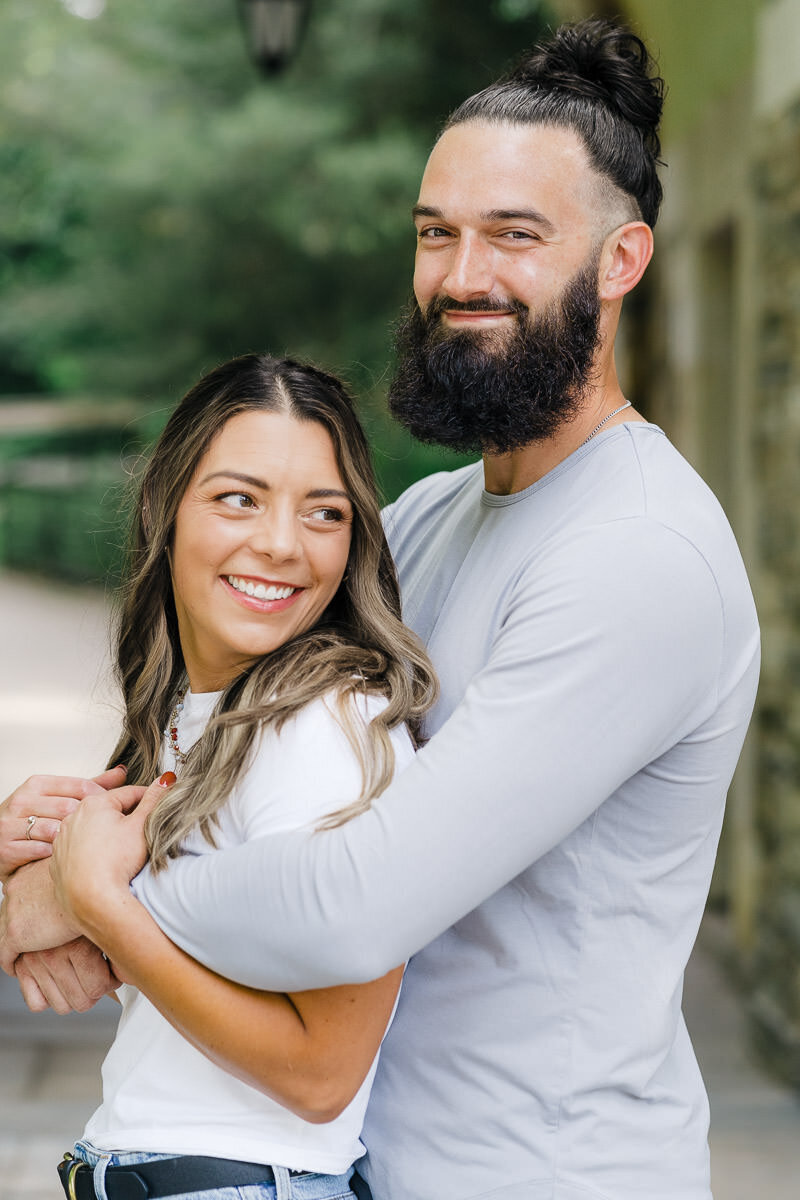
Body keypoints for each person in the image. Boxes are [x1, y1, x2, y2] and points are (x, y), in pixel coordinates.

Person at [1, 19, 760, 1200]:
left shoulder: (639, 557)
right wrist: (45, 840)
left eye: (514, 236)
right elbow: (232, 772)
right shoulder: (420, 523)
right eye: (434, 233)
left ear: (619, 261)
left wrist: (85, 893)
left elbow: (352, 905)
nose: (461, 276)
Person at [1, 352, 437, 1200]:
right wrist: (26, 888)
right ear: (168, 506)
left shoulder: (326, 729)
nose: (280, 544)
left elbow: (323, 1076)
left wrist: (103, 913)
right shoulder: (190, 718)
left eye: (324, 511)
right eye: (240, 498)